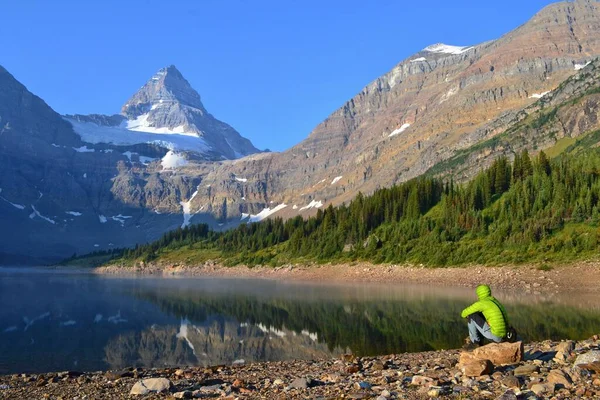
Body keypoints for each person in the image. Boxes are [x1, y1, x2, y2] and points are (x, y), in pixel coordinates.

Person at [460, 284, 510, 349]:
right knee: (480, 314)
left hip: (497, 337)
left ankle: (475, 342)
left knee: (472, 315)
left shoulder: (482, 303)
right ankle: (479, 340)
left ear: (479, 294)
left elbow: (463, 313)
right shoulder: (495, 301)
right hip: (506, 335)